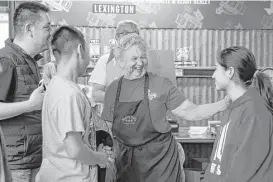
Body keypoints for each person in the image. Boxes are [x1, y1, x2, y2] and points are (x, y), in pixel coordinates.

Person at [101, 33, 230, 181]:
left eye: (143, 57)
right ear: (120, 61)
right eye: (134, 58)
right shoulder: (113, 90)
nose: (140, 63)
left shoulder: (160, 84)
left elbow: (191, 112)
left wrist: (223, 104)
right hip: (126, 164)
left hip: (160, 164)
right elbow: (109, 129)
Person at [35, 26, 111, 182]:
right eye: (88, 50)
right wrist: (100, 158)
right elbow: (75, 149)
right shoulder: (68, 94)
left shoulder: (57, 85)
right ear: (80, 49)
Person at [203, 46, 273, 182]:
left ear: (230, 72)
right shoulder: (232, 107)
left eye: (216, 69)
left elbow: (242, 168)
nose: (213, 75)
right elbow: (217, 160)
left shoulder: (255, 111)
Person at [0, 2, 51, 182]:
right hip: (17, 167)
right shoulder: (6, 61)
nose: (50, 33)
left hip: (34, 161)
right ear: (30, 29)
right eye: (46, 27)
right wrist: (30, 105)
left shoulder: (30, 61)